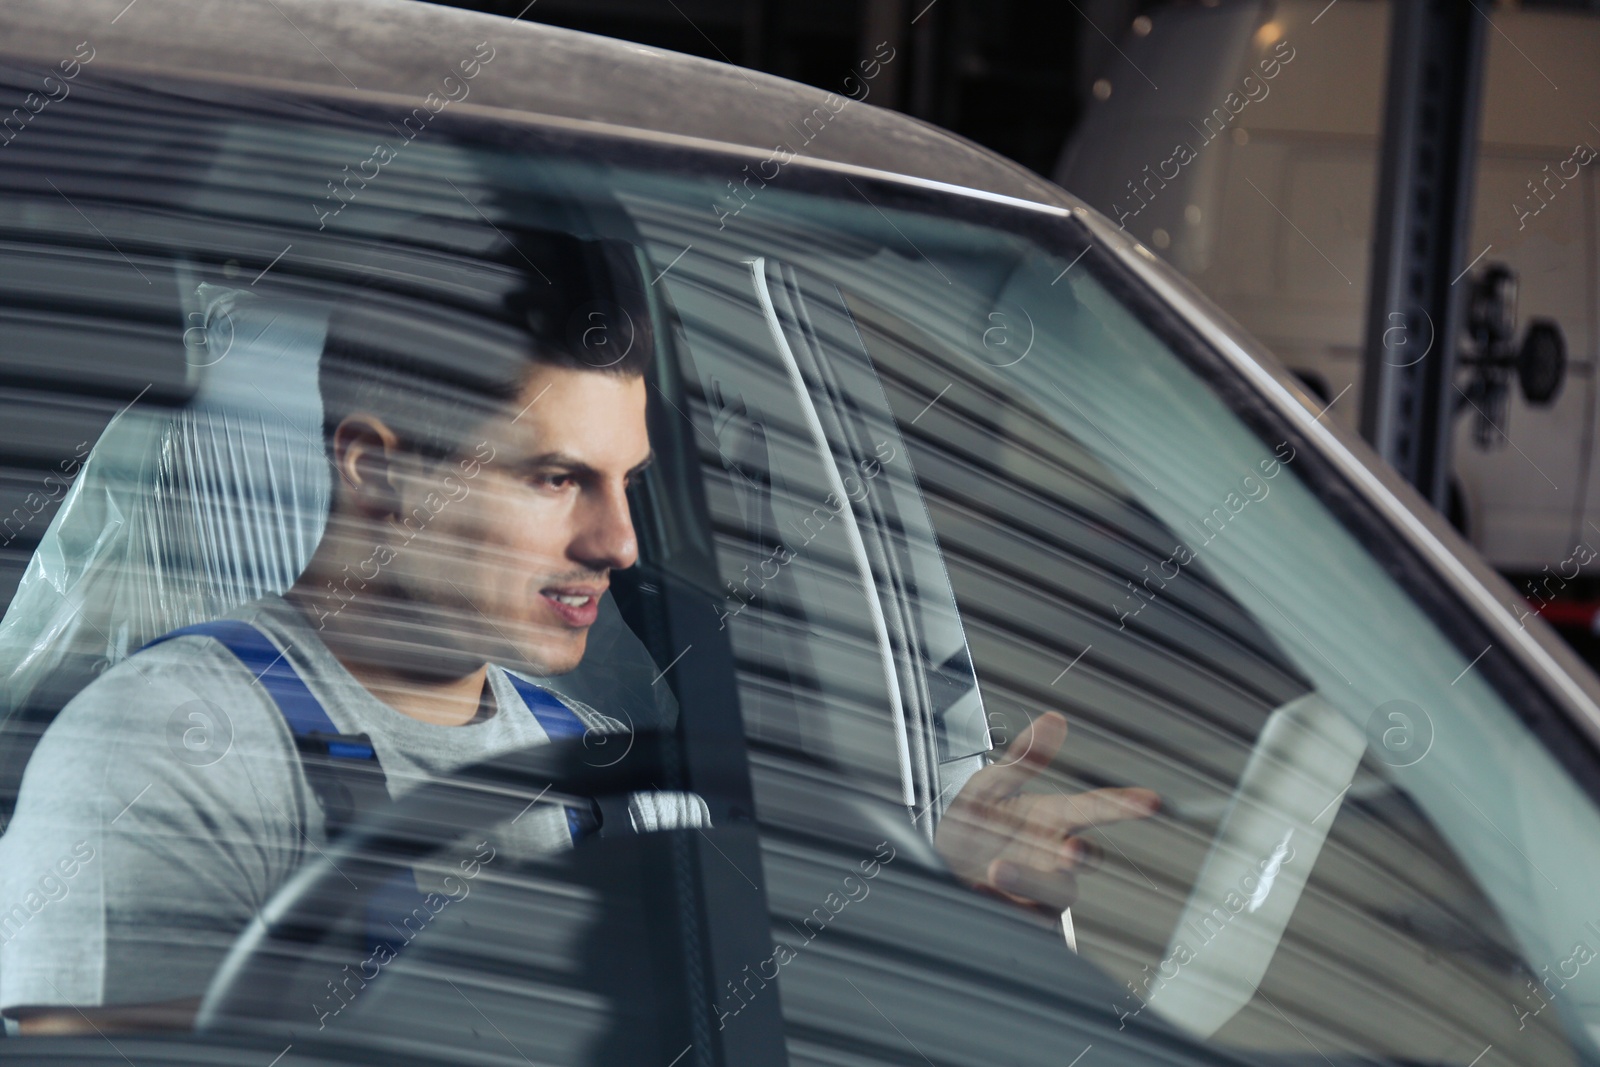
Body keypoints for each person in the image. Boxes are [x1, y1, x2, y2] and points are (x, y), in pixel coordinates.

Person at [0, 226, 1156, 1036]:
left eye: (626, 482)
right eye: (557, 478)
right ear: (377, 471)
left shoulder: (598, 762)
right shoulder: (163, 754)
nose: (619, 541)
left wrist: (939, 914)